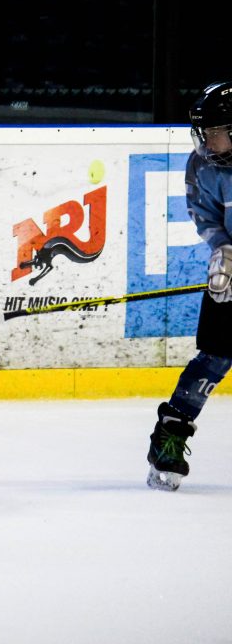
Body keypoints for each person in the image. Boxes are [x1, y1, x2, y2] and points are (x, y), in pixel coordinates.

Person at [146, 80, 232, 491]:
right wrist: (222, 251)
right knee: (214, 357)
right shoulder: (204, 165)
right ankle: (169, 439)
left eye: (214, 131)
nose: (205, 140)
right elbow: (207, 217)